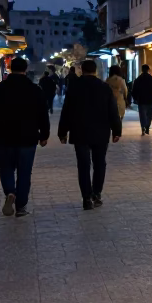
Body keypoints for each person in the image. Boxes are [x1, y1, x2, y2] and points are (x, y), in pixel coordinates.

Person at [0, 58, 51, 217]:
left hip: (5, 136)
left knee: (6, 167)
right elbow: (43, 114)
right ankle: (21, 206)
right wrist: (44, 134)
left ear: (10, 68)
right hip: (28, 137)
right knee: (24, 172)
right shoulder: (34, 90)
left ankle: (10, 192)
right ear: (25, 69)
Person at [58, 60, 122, 210]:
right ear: (95, 70)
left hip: (80, 132)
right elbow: (113, 111)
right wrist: (116, 131)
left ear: (82, 70)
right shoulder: (104, 88)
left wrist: (62, 132)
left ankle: (86, 198)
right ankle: (97, 194)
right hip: (101, 132)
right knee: (100, 163)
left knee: (83, 165)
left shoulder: (74, 87)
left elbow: (66, 111)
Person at [131, 64, 152, 135]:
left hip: (141, 100)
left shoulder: (138, 80)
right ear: (148, 70)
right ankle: (147, 126)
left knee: (142, 115)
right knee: (149, 114)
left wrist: (135, 98)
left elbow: (134, 91)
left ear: (142, 70)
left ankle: (143, 128)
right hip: (150, 99)